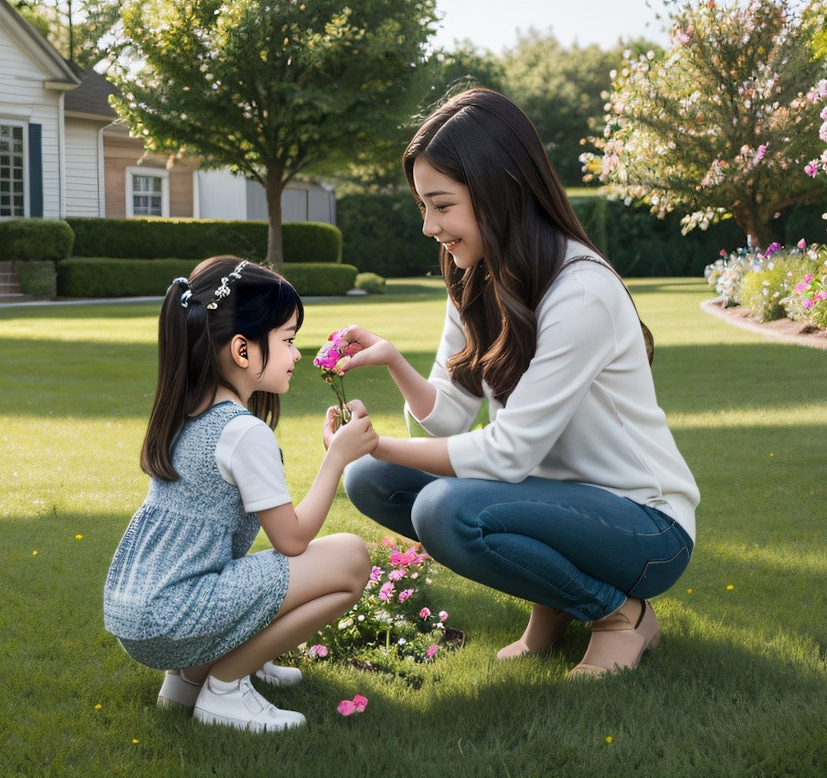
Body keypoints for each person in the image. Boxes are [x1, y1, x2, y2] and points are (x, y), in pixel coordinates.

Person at [335, 88, 699, 677]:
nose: (429, 226)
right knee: (370, 479)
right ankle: (557, 602)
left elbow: (508, 453)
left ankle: (617, 614)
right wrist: (397, 366)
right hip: (549, 500)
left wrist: (374, 440)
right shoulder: (475, 276)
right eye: (423, 206)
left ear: (499, 191)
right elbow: (450, 415)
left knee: (444, 510)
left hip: (644, 526)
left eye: (441, 205)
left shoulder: (580, 291)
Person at [104, 256, 377, 731]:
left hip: (140, 612)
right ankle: (226, 685)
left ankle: (187, 683)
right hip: (177, 612)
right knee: (351, 558)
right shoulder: (242, 432)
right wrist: (337, 460)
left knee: (265, 570)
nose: (295, 354)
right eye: (288, 340)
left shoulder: (186, 412)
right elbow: (291, 541)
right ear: (243, 350)